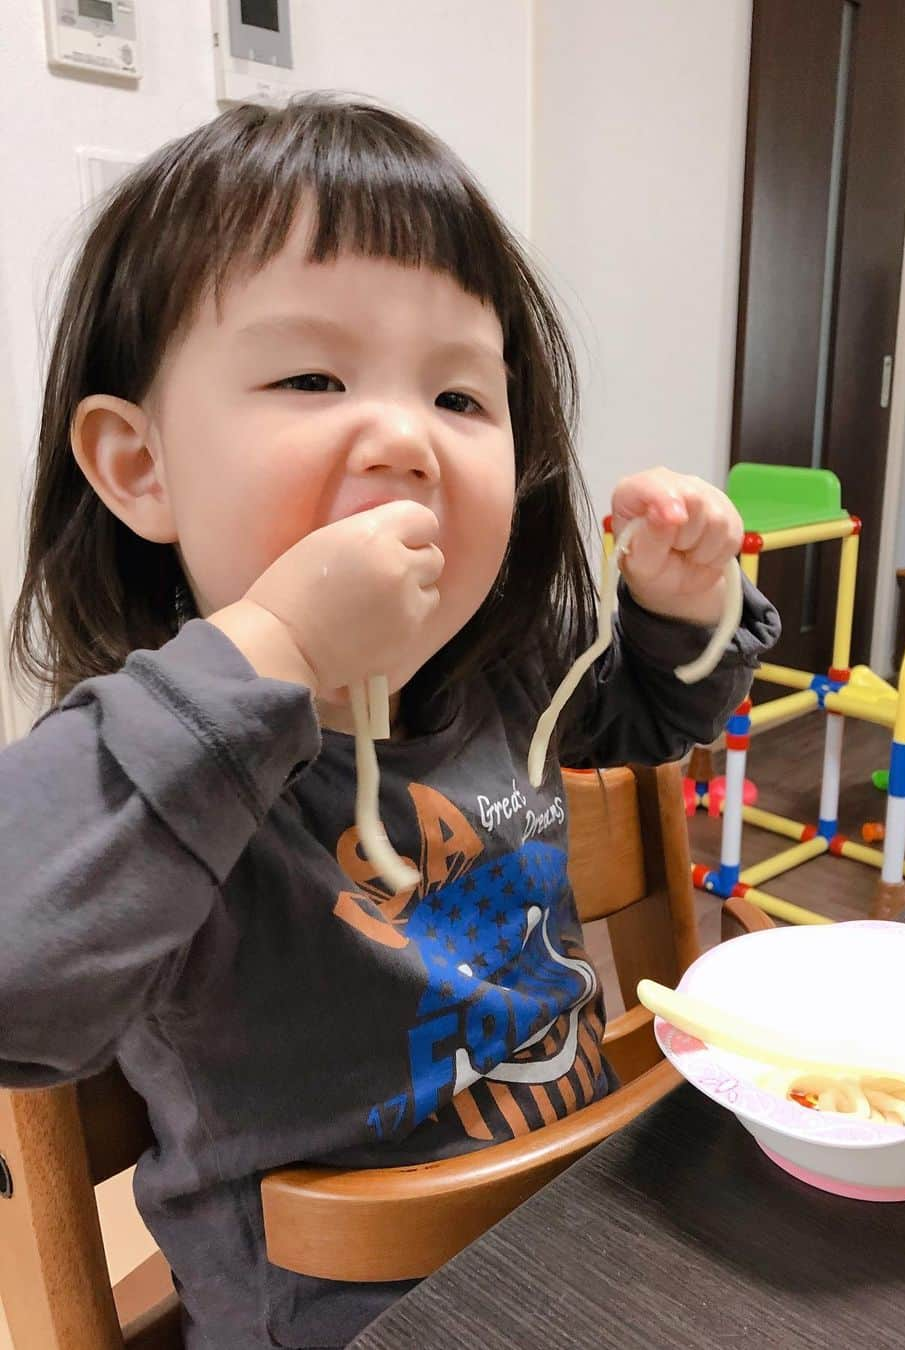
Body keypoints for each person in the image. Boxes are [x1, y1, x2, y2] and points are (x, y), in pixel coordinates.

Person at [0, 96, 779, 1349]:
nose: (410, 440)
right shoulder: (172, 774)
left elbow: (652, 714)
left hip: (579, 1240)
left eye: (464, 398)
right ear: (140, 467)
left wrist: (685, 609)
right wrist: (280, 653)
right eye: (313, 376)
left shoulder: (504, 678)